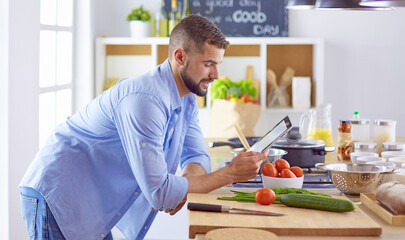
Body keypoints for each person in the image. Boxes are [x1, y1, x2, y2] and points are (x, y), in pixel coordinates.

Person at [19, 14, 267, 240]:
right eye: (209, 64)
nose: (216, 74)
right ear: (180, 57)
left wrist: (186, 186)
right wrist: (230, 174)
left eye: (218, 64)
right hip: (59, 195)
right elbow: (160, 193)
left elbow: (195, 155)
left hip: (89, 204)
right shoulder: (145, 102)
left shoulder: (187, 98)